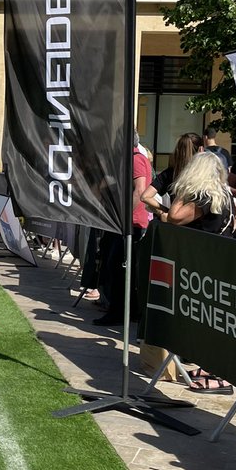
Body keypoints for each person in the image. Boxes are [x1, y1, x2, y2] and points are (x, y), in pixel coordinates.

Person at [167, 152, 236, 394]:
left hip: (204, 265)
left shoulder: (203, 195)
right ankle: (211, 369)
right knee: (211, 319)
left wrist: (183, 192)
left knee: (209, 320)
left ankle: (218, 375)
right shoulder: (224, 194)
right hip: (219, 263)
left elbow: (174, 216)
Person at [94, 130, 152, 325]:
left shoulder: (136, 160)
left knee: (118, 267)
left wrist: (124, 217)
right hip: (125, 222)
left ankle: (118, 312)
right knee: (117, 267)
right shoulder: (129, 159)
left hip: (131, 223)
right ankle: (125, 310)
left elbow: (140, 190)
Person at [141, 132, 203, 218]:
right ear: (201, 150)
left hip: (175, 224)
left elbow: (145, 197)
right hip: (197, 225)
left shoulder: (170, 173)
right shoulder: (203, 175)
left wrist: (165, 210)